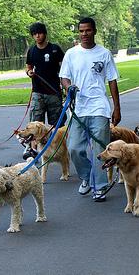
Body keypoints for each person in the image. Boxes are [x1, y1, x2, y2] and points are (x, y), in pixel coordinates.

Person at [60, 17, 121, 202]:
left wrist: (117, 108)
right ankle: (87, 177)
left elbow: (112, 81)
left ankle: (100, 187)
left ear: (94, 31)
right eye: (81, 31)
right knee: (73, 148)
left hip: (99, 108)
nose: (84, 34)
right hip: (78, 109)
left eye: (87, 30)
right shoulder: (71, 54)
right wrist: (68, 87)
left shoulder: (104, 53)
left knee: (99, 150)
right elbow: (64, 77)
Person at [23, 22, 66, 159]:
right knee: (35, 122)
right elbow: (28, 66)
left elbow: (65, 66)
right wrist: (29, 72)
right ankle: (33, 150)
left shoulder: (55, 49)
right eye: (34, 34)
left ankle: (59, 147)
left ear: (45, 33)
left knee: (57, 123)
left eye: (40, 33)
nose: (37, 36)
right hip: (37, 91)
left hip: (53, 91)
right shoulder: (32, 50)